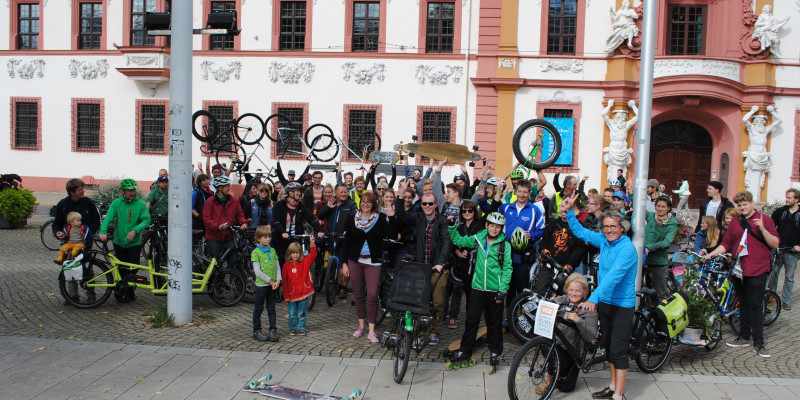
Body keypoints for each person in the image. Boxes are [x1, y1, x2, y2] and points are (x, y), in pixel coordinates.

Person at [560, 192, 637, 400]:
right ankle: (612, 386)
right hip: (606, 303)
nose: (609, 230)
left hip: (622, 305)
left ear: (622, 228)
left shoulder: (627, 249)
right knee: (609, 347)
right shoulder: (604, 240)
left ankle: (618, 395)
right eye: (606, 226)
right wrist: (568, 213)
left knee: (619, 350)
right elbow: (581, 232)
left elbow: (612, 278)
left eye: (614, 226)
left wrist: (593, 298)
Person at [705, 191, 779, 358]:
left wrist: (762, 229)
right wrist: (709, 255)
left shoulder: (764, 219)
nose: (742, 207)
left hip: (758, 268)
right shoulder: (735, 223)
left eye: (745, 204)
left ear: (752, 203)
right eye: (739, 205)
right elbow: (726, 244)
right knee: (742, 304)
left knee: (755, 305)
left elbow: (775, 243)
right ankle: (744, 336)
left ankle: (759, 342)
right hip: (739, 270)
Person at [447, 212, 512, 372]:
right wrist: (452, 226)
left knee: (494, 324)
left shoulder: (505, 245)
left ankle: (495, 352)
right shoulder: (477, 239)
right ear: (486, 225)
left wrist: (503, 290)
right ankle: (464, 350)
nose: (494, 229)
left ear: (501, 228)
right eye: (492, 225)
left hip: (495, 290)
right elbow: (458, 240)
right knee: (471, 321)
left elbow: (507, 269)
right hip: (476, 288)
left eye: (498, 227)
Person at [341, 192, 399, 342]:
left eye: (369, 202)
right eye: (363, 202)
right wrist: (344, 263)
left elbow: (392, 234)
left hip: (373, 262)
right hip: (355, 261)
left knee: (372, 295)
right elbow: (346, 242)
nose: (365, 204)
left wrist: (391, 217)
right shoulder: (352, 218)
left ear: (373, 204)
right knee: (358, 295)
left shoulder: (379, 219)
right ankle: (361, 326)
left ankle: (372, 330)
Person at [535, 273, 599, 395]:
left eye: (577, 291)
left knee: (566, 387)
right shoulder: (561, 300)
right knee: (552, 353)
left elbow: (590, 337)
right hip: (556, 345)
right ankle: (549, 380)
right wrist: (550, 305)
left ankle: (557, 372)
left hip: (573, 352)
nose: (573, 294)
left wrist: (578, 321)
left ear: (584, 291)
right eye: (570, 290)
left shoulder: (589, 309)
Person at [98, 179, 151, 303]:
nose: (132, 193)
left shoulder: (141, 204)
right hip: (119, 241)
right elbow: (108, 217)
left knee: (133, 267)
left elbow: (146, 220)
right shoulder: (117, 203)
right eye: (129, 191)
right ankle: (121, 289)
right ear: (123, 191)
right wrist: (102, 231)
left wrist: (135, 230)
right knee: (121, 267)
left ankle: (129, 288)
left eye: (134, 190)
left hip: (134, 242)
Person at [413, 193, 453, 346]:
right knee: (421, 302)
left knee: (437, 302)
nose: (427, 207)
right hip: (422, 268)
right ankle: (420, 334)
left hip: (438, 268)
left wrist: (441, 262)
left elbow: (446, 242)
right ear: (421, 205)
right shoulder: (419, 218)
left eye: (430, 204)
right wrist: (401, 196)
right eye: (424, 204)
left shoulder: (443, 221)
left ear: (436, 205)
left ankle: (435, 331)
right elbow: (402, 215)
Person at [499, 179, 545, 304]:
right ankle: (509, 319)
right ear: (515, 192)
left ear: (530, 193)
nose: (522, 195)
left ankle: (524, 318)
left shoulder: (535, 210)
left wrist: (533, 235)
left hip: (524, 257)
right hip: (508, 255)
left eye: (525, 192)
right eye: (519, 191)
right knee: (508, 289)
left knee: (523, 290)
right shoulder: (506, 207)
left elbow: (541, 230)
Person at [445, 200, 485, 329]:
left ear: (474, 212)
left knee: (475, 295)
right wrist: (458, 253)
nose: (467, 213)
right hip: (463, 265)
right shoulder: (460, 227)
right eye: (464, 211)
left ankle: (474, 321)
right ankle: (469, 321)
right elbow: (452, 243)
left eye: (470, 210)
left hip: (477, 265)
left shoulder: (479, 225)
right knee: (467, 293)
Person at [318, 183, 358, 299]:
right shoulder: (332, 203)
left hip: (345, 240)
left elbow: (354, 218)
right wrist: (328, 207)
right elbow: (320, 216)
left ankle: (342, 288)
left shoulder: (351, 204)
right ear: (335, 192)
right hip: (331, 238)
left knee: (343, 264)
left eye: (345, 191)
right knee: (332, 262)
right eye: (341, 192)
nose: (344, 193)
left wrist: (348, 230)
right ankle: (332, 282)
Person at [537, 202, 586, 295]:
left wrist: (571, 263)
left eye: (567, 207)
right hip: (550, 264)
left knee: (564, 293)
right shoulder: (553, 223)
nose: (564, 210)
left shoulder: (578, 226)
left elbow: (579, 248)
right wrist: (543, 250)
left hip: (566, 267)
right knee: (540, 288)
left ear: (574, 210)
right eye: (562, 206)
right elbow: (544, 241)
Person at [271, 182, 324, 265]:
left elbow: (311, 218)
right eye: (297, 191)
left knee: (298, 264)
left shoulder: (301, 206)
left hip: (296, 240)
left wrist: (319, 230)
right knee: (283, 265)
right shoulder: (280, 205)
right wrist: (282, 232)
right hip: (281, 241)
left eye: (300, 191)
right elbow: (276, 221)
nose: (299, 193)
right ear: (289, 192)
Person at [203, 176, 248, 268]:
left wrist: (243, 222)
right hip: (214, 237)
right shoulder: (210, 202)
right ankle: (215, 281)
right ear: (220, 188)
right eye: (227, 186)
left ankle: (234, 281)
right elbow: (207, 219)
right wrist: (217, 226)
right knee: (215, 263)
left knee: (234, 261)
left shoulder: (234, 201)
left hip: (229, 236)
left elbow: (240, 214)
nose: (229, 188)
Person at [768, 188, 800, 310]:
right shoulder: (780, 212)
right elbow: (770, 227)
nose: (786, 200)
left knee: (789, 277)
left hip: (792, 251)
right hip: (778, 249)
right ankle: (770, 297)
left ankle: (786, 301)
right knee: (773, 274)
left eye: (789, 198)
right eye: (786, 197)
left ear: (796, 199)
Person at [644, 196, 680, 298]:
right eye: (658, 206)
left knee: (661, 293)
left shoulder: (672, 223)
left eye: (663, 207)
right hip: (644, 259)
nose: (660, 209)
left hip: (658, 262)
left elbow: (666, 242)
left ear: (668, 208)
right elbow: (639, 206)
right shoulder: (651, 216)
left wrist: (649, 247)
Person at [53, 178, 101, 250]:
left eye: (83, 189)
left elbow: (96, 220)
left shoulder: (88, 202)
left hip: (85, 243)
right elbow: (57, 223)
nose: (83, 191)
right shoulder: (63, 204)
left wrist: (88, 232)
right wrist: (57, 232)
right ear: (72, 192)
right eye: (80, 190)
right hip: (68, 242)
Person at [252, 225, 281, 343]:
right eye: (265, 237)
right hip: (261, 286)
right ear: (258, 238)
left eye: (269, 237)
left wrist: (278, 280)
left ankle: (273, 330)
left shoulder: (272, 250)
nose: (268, 239)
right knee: (258, 308)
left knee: (271, 308)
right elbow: (257, 271)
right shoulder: (256, 252)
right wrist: (270, 280)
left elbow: (277, 266)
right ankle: (256, 330)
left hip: (273, 285)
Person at [283, 237, 317, 336]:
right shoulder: (286, 266)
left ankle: (301, 327)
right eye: (293, 253)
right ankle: (292, 328)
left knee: (302, 313)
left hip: (303, 293)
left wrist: (312, 244)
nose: (295, 255)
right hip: (292, 294)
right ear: (289, 254)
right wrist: (286, 296)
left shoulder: (305, 262)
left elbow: (313, 255)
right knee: (292, 314)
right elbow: (285, 282)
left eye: (297, 253)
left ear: (300, 253)